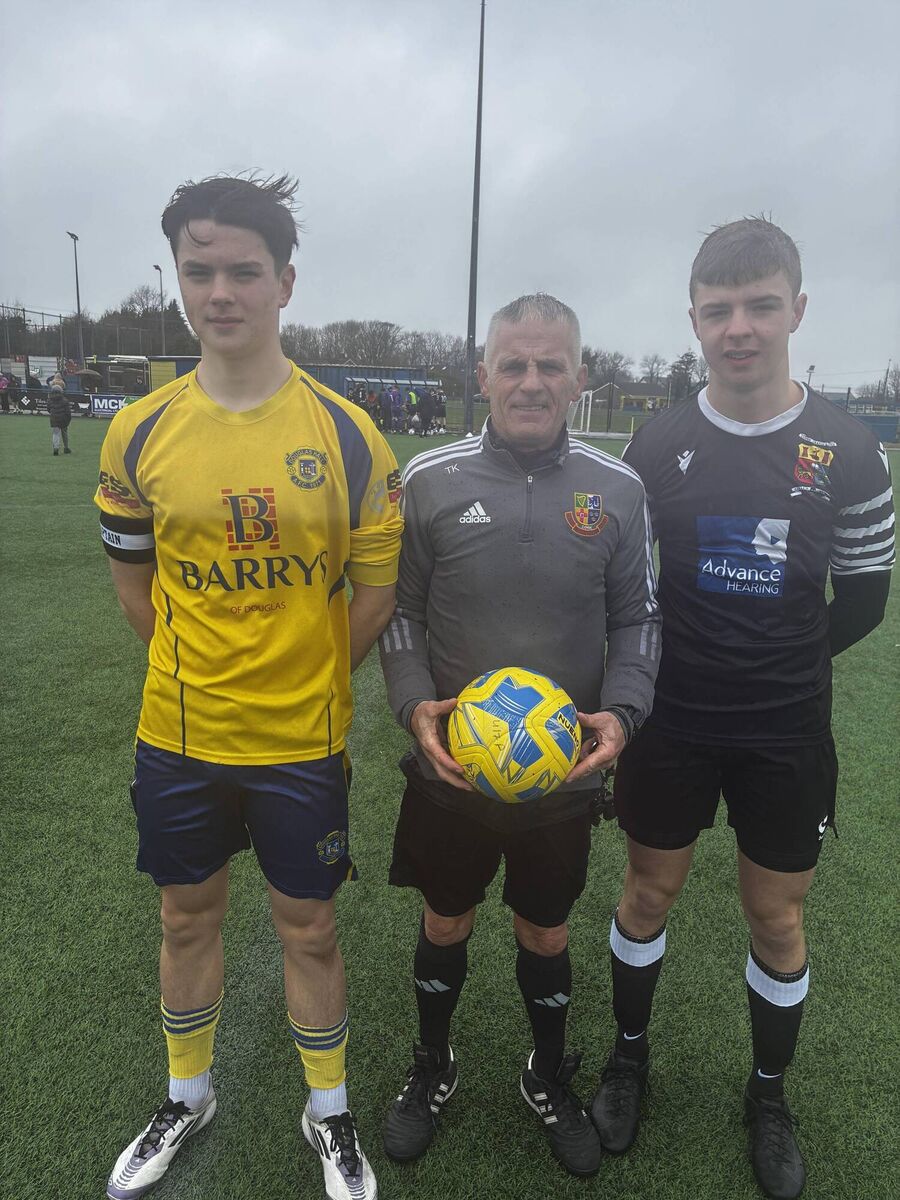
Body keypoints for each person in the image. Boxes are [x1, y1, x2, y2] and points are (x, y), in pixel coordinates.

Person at [97, 174, 402, 1200]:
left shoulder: (350, 434)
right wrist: (204, 673)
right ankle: (189, 1093)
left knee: (308, 928)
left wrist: (298, 680)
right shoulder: (136, 432)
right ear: (179, 279)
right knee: (187, 917)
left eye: (242, 272)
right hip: (178, 735)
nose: (219, 291)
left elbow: (373, 597)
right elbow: (137, 593)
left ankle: (331, 1114)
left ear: (285, 283)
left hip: (301, 742)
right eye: (199, 271)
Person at [592, 218, 894, 1200]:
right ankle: (628, 1056)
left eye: (761, 305)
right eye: (719, 309)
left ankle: (769, 1093)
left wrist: (779, 664)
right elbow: (630, 591)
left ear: (796, 310)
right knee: (647, 893)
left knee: (776, 916)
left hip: (784, 731)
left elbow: (864, 600)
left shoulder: (848, 451)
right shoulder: (659, 441)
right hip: (671, 722)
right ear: (694, 319)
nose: (740, 327)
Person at [379, 293, 660, 1177]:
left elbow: (641, 619)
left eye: (550, 366)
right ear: (484, 374)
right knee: (446, 916)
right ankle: (433, 1065)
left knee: (546, 929)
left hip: (561, 778)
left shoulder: (619, 490)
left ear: (580, 377)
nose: (531, 382)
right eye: (514, 364)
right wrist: (416, 704)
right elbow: (401, 616)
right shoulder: (430, 478)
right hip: (450, 773)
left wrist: (624, 710)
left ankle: (547, 1071)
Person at [47, 378, 72, 453]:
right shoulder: (65, 401)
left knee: (55, 433)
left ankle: (56, 448)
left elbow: (48, 409)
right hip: (63, 419)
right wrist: (68, 420)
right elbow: (68, 412)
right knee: (64, 433)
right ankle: (66, 448)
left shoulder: (49, 400)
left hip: (54, 419)